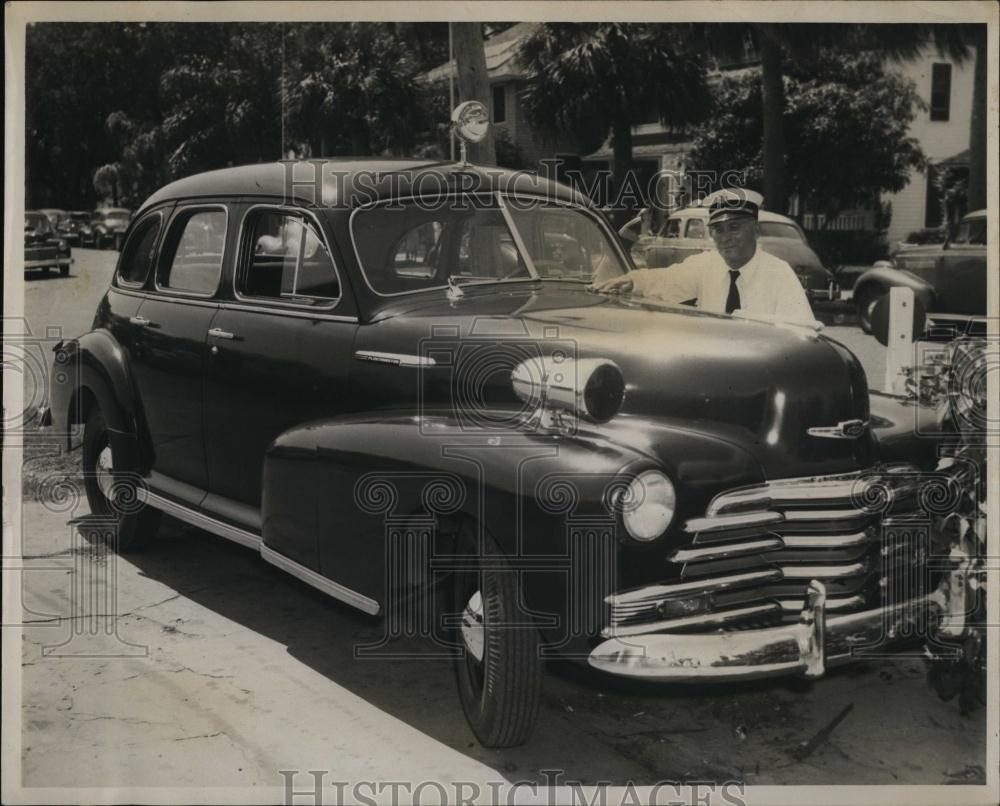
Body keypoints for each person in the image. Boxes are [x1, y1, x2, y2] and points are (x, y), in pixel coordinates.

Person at [591, 189, 816, 326]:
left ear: (755, 231)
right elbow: (666, 279)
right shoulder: (707, 265)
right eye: (718, 230)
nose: (725, 237)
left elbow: (801, 331)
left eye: (734, 227)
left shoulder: (779, 273)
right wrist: (632, 281)